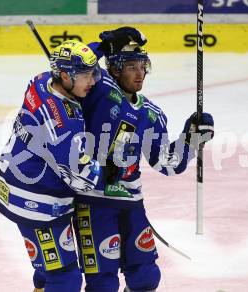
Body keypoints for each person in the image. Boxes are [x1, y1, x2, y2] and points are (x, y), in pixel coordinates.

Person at [72, 27, 215, 292]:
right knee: (103, 283)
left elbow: (167, 163)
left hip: (131, 204)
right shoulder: (97, 89)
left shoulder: (152, 114)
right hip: (93, 202)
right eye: (131, 66)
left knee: (146, 278)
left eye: (143, 66)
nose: (140, 74)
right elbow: (74, 64)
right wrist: (103, 46)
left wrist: (191, 139)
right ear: (114, 69)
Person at [0, 40, 102, 292]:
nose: (93, 82)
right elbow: (82, 178)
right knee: (64, 277)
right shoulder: (65, 123)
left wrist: (100, 46)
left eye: (93, 73)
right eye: (86, 76)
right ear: (65, 76)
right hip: (37, 201)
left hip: (15, 182)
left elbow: (71, 61)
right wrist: (108, 169)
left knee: (48, 267)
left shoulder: (40, 82)